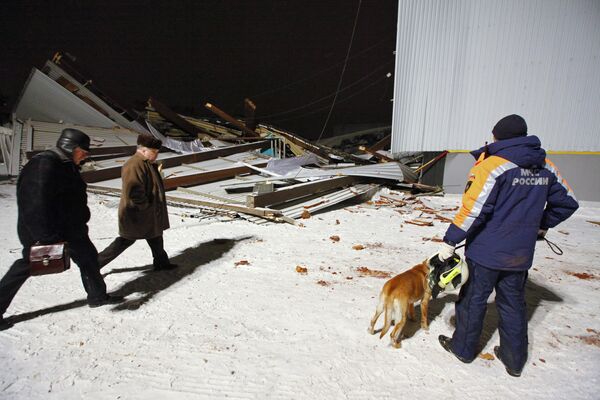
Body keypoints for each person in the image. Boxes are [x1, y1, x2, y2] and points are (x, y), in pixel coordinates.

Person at [434, 114, 579, 377]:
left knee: (472, 301)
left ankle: (463, 349)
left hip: (486, 252)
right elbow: (568, 202)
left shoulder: (492, 166)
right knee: (513, 304)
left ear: (498, 136)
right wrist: (541, 224)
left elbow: (473, 210)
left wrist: (450, 240)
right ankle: (514, 360)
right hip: (520, 254)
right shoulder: (545, 165)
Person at [0, 129, 123, 330]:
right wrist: (45, 236)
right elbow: (34, 203)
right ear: (71, 148)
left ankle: (98, 296)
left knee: (89, 259)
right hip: (46, 231)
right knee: (26, 266)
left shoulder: (64, 164)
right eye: (83, 150)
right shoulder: (44, 164)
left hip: (71, 229)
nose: (86, 154)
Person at [97, 134, 176, 271]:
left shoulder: (146, 163)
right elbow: (134, 191)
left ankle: (161, 263)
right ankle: (94, 264)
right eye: (154, 152)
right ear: (143, 150)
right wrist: (145, 206)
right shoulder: (134, 164)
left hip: (148, 214)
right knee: (125, 240)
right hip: (136, 214)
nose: (156, 155)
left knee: (156, 237)